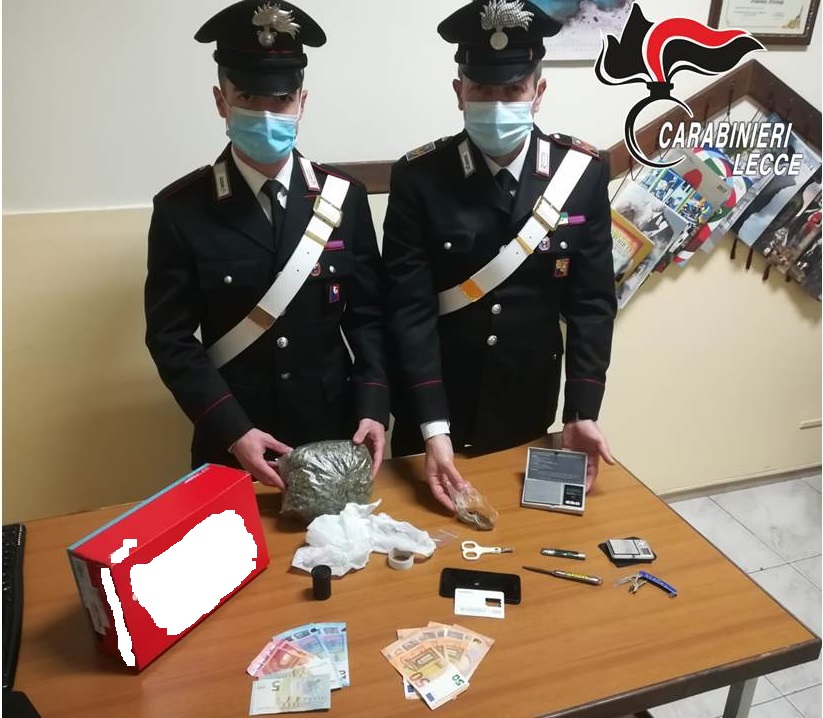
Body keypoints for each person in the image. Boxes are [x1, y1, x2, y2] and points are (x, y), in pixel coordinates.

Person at [382, 0, 617, 512]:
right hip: (433, 407)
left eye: (512, 90)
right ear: (459, 92)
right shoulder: (419, 177)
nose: (497, 103)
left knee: (525, 533)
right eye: (482, 90)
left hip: (526, 402)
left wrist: (581, 411)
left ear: (538, 91)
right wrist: (433, 427)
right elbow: (409, 309)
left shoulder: (582, 172)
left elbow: (592, 304)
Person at [144, 0, 388, 488]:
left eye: (281, 99)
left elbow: (369, 317)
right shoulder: (181, 209)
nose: (267, 113)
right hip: (231, 435)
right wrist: (232, 429)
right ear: (221, 101)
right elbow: (170, 339)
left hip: (333, 431)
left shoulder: (343, 198)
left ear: (302, 102)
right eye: (249, 97)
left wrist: (374, 404)